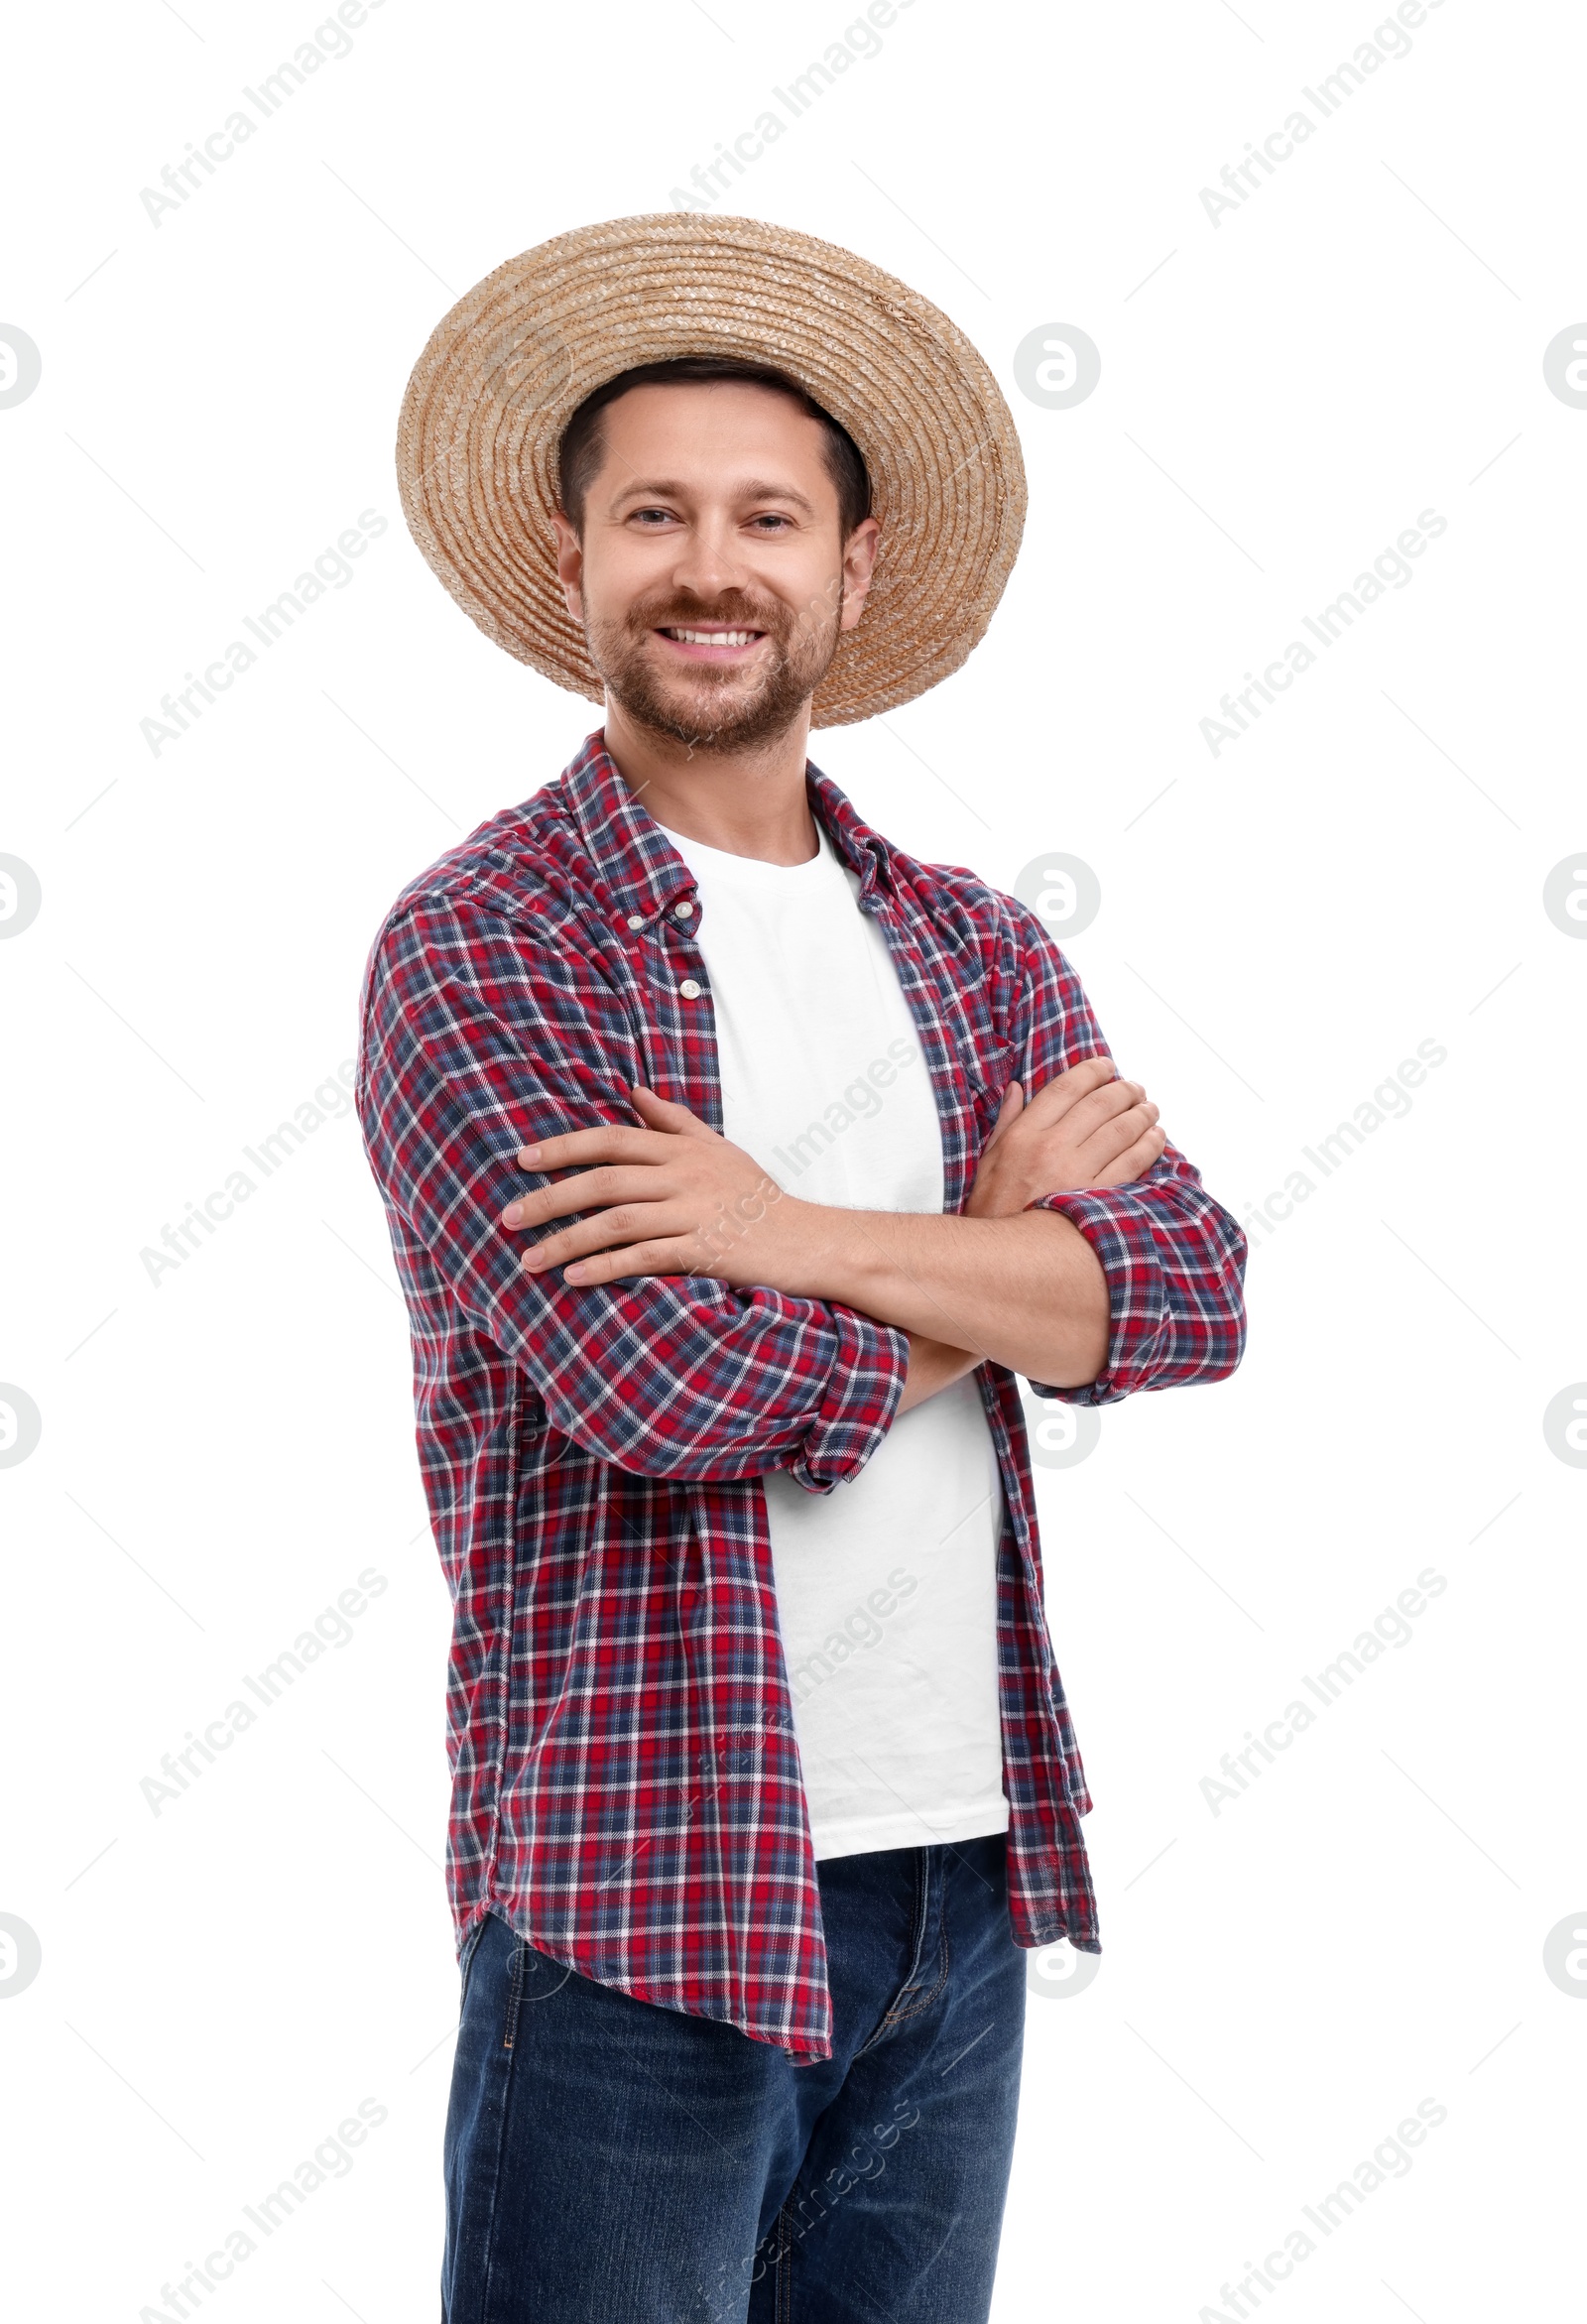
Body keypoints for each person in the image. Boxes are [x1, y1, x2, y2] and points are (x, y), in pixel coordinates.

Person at [357, 213, 1248, 2324]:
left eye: (766, 516)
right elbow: (665, 1393)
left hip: (956, 1870)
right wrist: (1004, 1260)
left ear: (850, 566)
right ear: (571, 559)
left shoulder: (970, 942)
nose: (707, 564)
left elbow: (1188, 1295)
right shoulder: (487, 943)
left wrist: (782, 1233)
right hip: (636, 1903)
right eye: (650, 512)